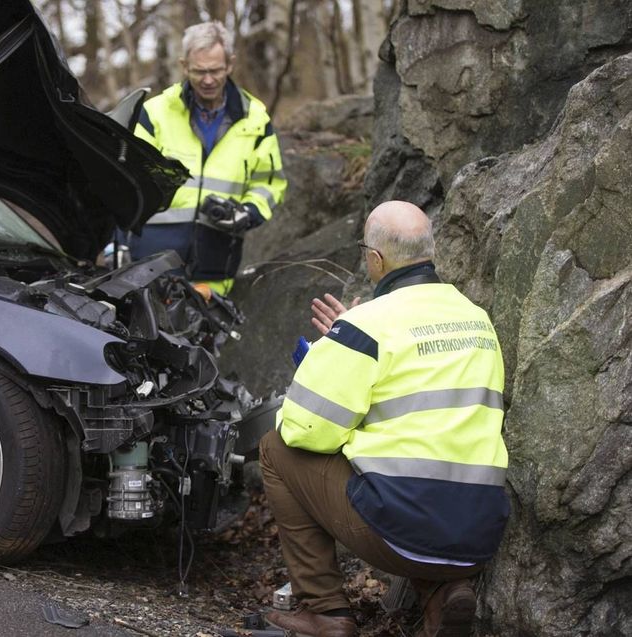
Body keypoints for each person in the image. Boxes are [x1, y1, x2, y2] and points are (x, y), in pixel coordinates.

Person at [259, 200, 510, 637]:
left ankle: (325, 611)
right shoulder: (478, 320)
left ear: (375, 259)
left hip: (404, 533)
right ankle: (442, 593)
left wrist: (332, 352)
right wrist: (349, 338)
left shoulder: (366, 326)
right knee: (411, 480)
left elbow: (305, 430)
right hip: (479, 532)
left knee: (275, 449)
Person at [111, 20, 287, 295]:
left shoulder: (255, 119)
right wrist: (117, 241)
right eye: (199, 71)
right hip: (150, 262)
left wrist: (247, 213)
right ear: (183, 66)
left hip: (215, 265)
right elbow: (125, 182)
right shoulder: (155, 115)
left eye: (215, 70)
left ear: (230, 64)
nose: (207, 80)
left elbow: (269, 182)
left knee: (206, 337)